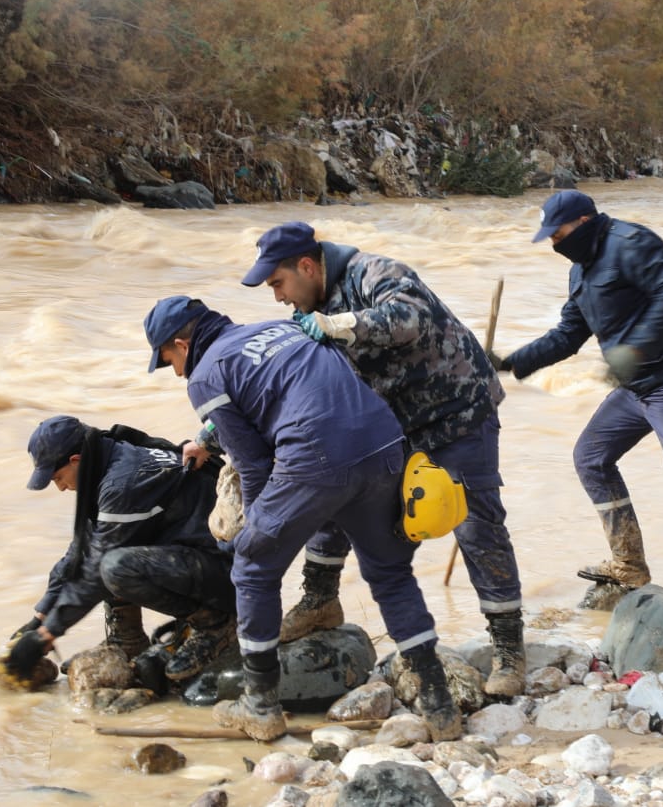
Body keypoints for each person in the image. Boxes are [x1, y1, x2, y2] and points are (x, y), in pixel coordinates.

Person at [143, 295, 461, 741]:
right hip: (384, 443)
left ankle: (260, 706)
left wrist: (254, 527)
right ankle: (441, 708)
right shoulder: (281, 328)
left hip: (316, 455)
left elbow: (252, 463)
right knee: (390, 575)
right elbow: (288, 391)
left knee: (252, 567)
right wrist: (207, 439)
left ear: (181, 342)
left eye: (168, 360)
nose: (175, 371)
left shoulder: (204, 375)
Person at [238, 221, 526, 699]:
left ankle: (509, 649)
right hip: (389, 425)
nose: (278, 298)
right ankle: (320, 599)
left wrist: (340, 325)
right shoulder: (310, 308)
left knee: (476, 525)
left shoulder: (373, 272)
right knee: (335, 488)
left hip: (457, 414)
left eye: (278, 284)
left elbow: (408, 318)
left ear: (306, 267)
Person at [490, 190, 663, 599]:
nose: (554, 243)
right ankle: (629, 565)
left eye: (558, 233)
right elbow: (568, 335)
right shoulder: (580, 270)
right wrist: (509, 362)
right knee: (591, 458)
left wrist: (636, 349)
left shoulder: (631, 243)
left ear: (583, 223)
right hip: (636, 386)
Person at [7, 415, 235, 685]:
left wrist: (48, 635)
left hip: (229, 572)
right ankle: (127, 640)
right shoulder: (107, 455)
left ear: (75, 461)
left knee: (113, 567)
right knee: (107, 551)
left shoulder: (122, 483)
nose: (60, 488)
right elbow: (81, 551)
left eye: (58, 477)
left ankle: (215, 623)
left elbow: (95, 571)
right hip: (194, 555)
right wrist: (39, 618)